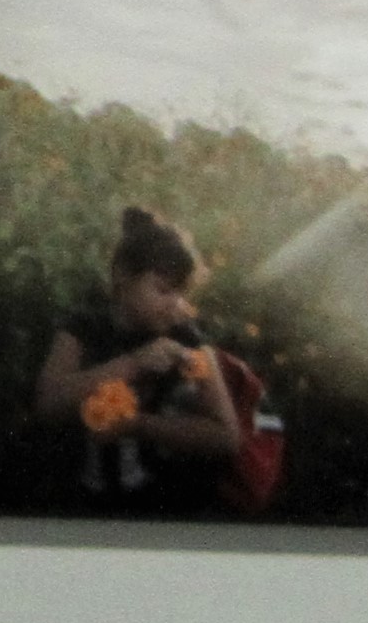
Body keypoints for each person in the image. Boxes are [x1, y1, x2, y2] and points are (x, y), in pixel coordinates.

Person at [32, 208, 245, 506]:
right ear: (122, 275)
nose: (175, 304)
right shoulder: (83, 328)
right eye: (163, 290)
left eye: (182, 293)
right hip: (78, 500)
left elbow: (227, 437)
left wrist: (138, 425)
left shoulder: (187, 340)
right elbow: (47, 405)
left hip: (162, 503)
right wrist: (133, 364)